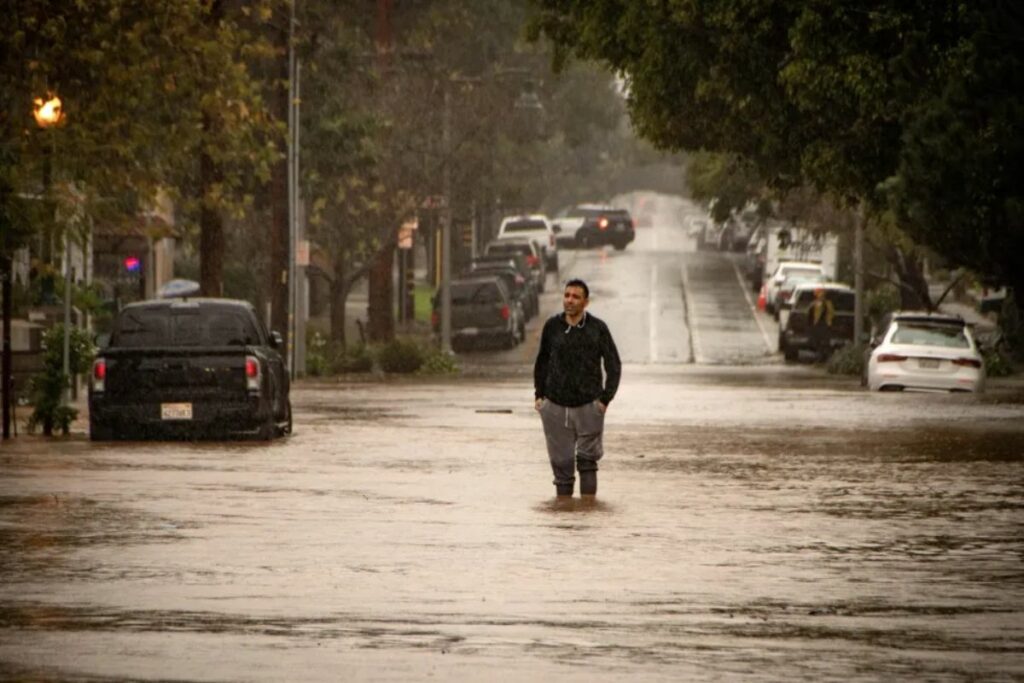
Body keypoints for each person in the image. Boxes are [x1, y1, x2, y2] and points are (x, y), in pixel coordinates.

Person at [534, 279, 621, 498]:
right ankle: (565, 523)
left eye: (575, 297)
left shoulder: (597, 329)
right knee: (561, 466)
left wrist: (604, 400)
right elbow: (542, 362)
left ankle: (587, 519)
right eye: (567, 295)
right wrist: (539, 396)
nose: (570, 300)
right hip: (554, 405)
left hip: (588, 406)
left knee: (587, 462)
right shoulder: (552, 327)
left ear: (585, 302)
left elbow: (613, 365)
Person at [808, 287, 835, 362]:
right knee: (817, 341)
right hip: (817, 325)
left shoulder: (828, 303)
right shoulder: (814, 304)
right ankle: (820, 355)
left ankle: (824, 356)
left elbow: (831, 313)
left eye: (822, 294)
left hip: (825, 325)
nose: (821, 296)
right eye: (819, 294)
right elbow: (810, 314)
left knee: (825, 341)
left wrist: (829, 321)